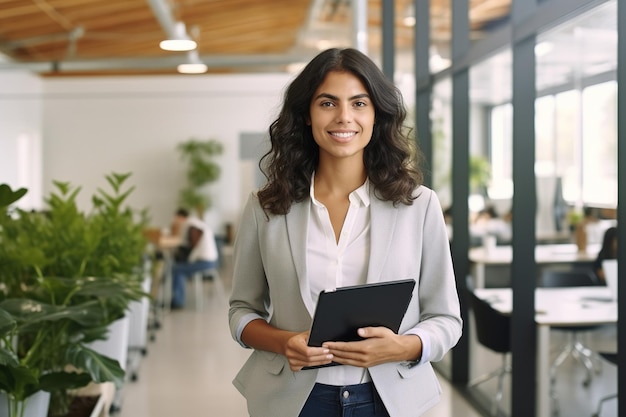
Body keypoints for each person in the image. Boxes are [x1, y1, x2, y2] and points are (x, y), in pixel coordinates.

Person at [228, 48, 462, 417]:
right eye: (327, 103)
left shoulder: (419, 205)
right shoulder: (266, 206)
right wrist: (283, 342)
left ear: (375, 115)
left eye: (358, 103)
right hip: (294, 401)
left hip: (387, 400)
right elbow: (241, 311)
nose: (344, 117)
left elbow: (447, 319)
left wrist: (403, 347)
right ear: (306, 114)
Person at [170, 208, 219, 309]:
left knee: (177, 269)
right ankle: (177, 299)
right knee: (178, 267)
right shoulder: (197, 224)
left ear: (180, 217)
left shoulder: (192, 226)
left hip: (204, 262)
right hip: (211, 261)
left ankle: (178, 302)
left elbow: (191, 245)